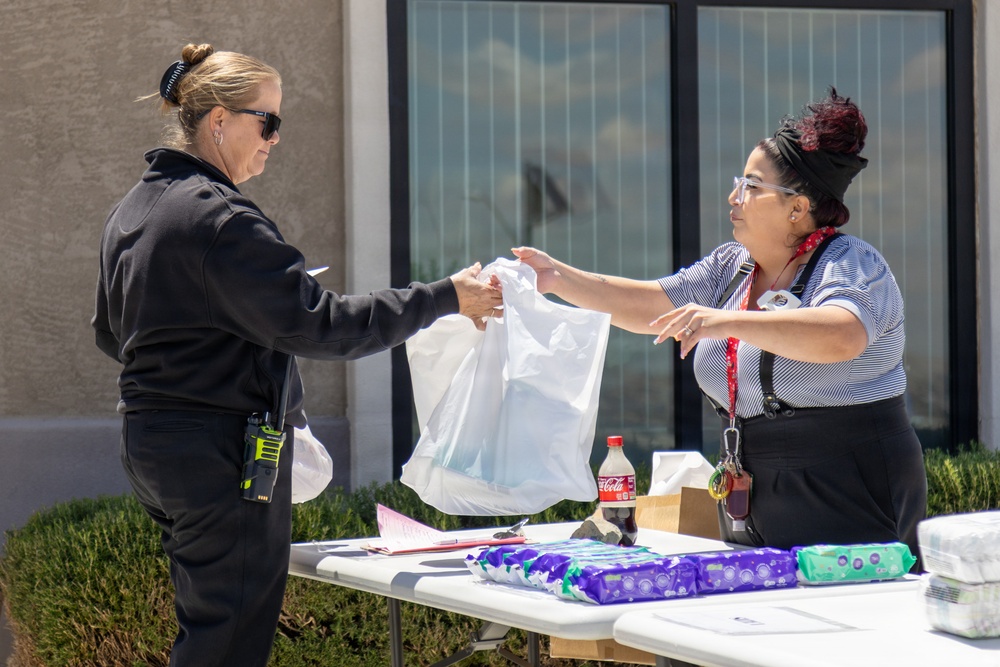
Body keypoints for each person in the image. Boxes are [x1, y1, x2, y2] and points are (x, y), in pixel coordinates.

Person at [91, 44, 501, 667]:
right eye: (268, 122)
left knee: (209, 630)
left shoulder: (134, 211)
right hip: (216, 450)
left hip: (152, 443)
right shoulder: (220, 219)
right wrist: (445, 296)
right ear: (219, 121)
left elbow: (108, 331)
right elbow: (324, 326)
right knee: (228, 642)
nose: (275, 139)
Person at [514, 89, 926, 557]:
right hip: (754, 497)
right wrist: (556, 276)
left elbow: (842, 334)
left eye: (751, 185)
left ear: (797, 207)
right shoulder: (732, 266)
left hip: (853, 490)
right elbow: (652, 304)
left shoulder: (851, 264)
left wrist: (725, 321)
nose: (734, 196)